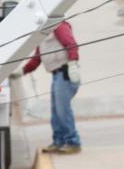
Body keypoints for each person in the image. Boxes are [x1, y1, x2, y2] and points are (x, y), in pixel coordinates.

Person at [22, 20, 81, 154]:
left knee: (62, 110)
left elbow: (71, 44)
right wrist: (22, 71)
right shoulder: (43, 33)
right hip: (56, 75)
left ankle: (73, 142)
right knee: (56, 111)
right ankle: (59, 141)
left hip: (65, 73)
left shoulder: (59, 26)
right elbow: (37, 58)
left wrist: (73, 62)